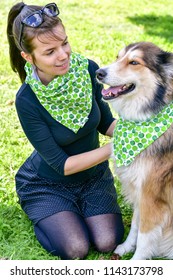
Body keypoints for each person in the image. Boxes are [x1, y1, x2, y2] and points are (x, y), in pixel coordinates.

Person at [7, 2, 124, 260]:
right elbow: (63, 165)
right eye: (49, 51)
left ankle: (77, 212)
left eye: (65, 43)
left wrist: (138, 131)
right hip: (48, 183)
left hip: (93, 176)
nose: (63, 55)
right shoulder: (27, 99)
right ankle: (45, 211)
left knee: (108, 241)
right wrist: (119, 147)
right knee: (75, 249)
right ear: (29, 57)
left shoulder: (88, 70)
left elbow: (105, 124)